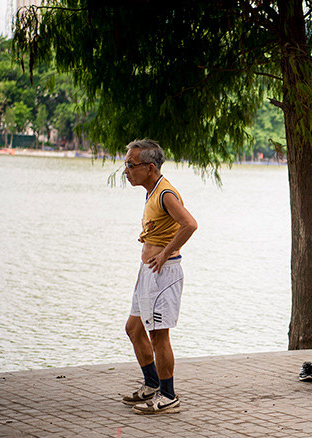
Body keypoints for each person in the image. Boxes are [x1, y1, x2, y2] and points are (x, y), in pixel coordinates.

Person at [120, 139, 198, 415]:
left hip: (164, 273)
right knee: (134, 328)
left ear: (149, 167)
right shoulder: (151, 191)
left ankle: (169, 396)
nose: (126, 170)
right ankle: (152, 385)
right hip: (148, 272)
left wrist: (164, 253)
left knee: (159, 335)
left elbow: (190, 224)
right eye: (126, 164)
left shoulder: (165, 193)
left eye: (131, 164)